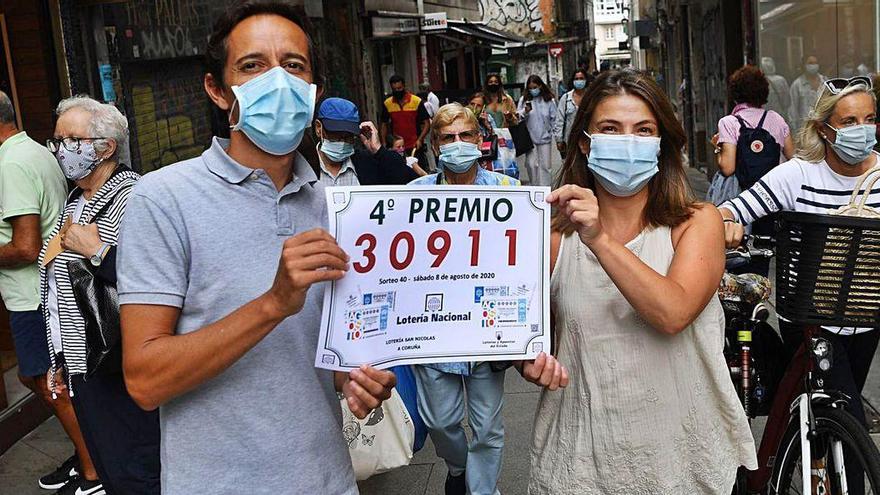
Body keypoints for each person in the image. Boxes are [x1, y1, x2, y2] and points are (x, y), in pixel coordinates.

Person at [116, 3, 395, 493]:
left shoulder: (340, 208)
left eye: (293, 65)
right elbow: (144, 380)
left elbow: (324, 354)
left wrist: (352, 377)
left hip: (328, 479)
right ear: (218, 91)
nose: (278, 80)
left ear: (314, 93)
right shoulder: (162, 200)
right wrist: (272, 304)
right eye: (252, 66)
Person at [529, 69, 757, 494]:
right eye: (610, 129)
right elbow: (536, 339)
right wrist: (529, 362)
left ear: (660, 142)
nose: (628, 141)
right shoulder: (554, 239)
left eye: (643, 129)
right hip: (583, 462)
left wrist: (598, 237)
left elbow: (671, 313)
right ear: (585, 141)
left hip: (683, 464)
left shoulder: (697, 223)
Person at [720, 79, 880, 483]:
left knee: (834, 420)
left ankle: (811, 465)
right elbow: (733, 209)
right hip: (809, 317)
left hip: (867, 314)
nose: (862, 130)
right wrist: (726, 223)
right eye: (849, 121)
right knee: (850, 419)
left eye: (869, 119)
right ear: (825, 128)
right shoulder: (796, 175)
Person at [410, 103, 566, 495]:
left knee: (488, 427)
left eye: (465, 136)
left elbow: (531, 259)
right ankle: (459, 468)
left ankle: (481, 490)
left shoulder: (509, 193)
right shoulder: (413, 196)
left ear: (480, 141)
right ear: (434, 145)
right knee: (440, 422)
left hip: (488, 334)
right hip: (434, 335)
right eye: (448, 138)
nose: (457, 144)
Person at [37, 95, 157, 495]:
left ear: (105, 147)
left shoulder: (133, 197)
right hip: (83, 365)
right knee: (111, 471)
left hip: (119, 364)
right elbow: (60, 291)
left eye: (72, 139)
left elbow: (153, 280)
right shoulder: (76, 200)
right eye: (57, 140)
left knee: (137, 473)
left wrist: (99, 250)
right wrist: (61, 360)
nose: (60, 150)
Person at [0, 91, 98, 494]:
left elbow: (25, 246)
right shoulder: (35, 151)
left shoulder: (10, 164)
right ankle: (90, 455)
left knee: (49, 384)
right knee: (36, 376)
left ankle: (94, 471)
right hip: (48, 290)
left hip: (34, 295)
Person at [711, 65, 795, 275]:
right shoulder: (776, 119)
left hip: (741, 201)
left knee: (737, 256)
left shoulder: (729, 123)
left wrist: (717, 150)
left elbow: (728, 167)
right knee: (763, 253)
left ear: (735, 93)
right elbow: (793, 159)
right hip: (771, 198)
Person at [314, 97, 420, 185]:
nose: (342, 142)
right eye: (336, 135)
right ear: (319, 128)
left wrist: (379, 151)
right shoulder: (305, 166)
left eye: (348, 137)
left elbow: (411, 183)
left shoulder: (366, 164)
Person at [380, 74, 431, 168]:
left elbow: (427, 123)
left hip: (415, 145)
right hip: (397, 146)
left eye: (399, 88)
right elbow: (384, 124)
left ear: (404, 86)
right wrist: (383, 142)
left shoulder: (416, 101)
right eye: (394, 89)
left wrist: (420, 139)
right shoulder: (388, 103)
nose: (397, 91)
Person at [517, 75, 557, 186]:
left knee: (545, 166)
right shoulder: (524, 100)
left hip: (545, 137)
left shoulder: (548, 100)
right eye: (530, 88)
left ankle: (545, 190)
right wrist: (525, 111)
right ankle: (534, 187)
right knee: (531, 164)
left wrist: (556, 136)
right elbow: (517, 117)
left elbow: (554, 118)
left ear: (540, 85)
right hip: (529, 138)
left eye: (535, 87)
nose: (533, 90)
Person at [554, 69, 593, 160]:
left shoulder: (590, 97)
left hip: (587, 140)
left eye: (581, 78)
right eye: (576, 79)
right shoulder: (566, 98)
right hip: (570, 141)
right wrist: (559, 140)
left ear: (586, 80)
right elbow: (560, 120)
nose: (579, 81)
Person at [790, 55, 827, 132]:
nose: (813, 65)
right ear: (804, 65)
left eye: (815, 63)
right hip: (804, 129)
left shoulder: (825, 82)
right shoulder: (797, 84)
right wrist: (795, 130)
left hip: (823, 128)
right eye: (810, 63)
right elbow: (793, 109)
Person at [761, 57, 791, 122]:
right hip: (779, 116)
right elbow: (787, 101)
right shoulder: (781, 80)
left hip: (764, 118)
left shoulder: (759, 81)